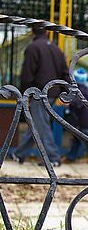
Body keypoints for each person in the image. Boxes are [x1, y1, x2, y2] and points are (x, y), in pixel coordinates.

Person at [11, 23, 69, 167]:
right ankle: (19, 154)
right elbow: (64, 72)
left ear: (32, 31)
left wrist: (26, 94)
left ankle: (53, 157)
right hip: (53, 92)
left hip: (38, 92)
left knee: (40, 124)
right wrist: (66, 93)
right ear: (48, 32)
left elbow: (27, 74)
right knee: (36, 122)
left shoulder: (33, 48)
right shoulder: (56, 49)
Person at [62, 67, 88, 163]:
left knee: (86, 140)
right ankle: (71, 156)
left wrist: (69, 103)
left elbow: (78, 103)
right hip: (83, 120)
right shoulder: (86, 90)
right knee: (77, 139)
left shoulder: (80, 90)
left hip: (82, 121)